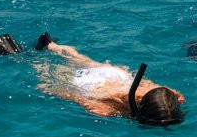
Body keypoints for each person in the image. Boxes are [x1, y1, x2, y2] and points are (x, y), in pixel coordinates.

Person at [33, 33, 185, 126]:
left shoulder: (168, 96)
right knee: (46, 76)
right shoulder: (107, 109)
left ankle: (51, 45)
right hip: (91, 82)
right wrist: (53, 90)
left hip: (116, 75)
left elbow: (176, 96)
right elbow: (76, 97)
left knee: (78, 58)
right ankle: (31, 60)